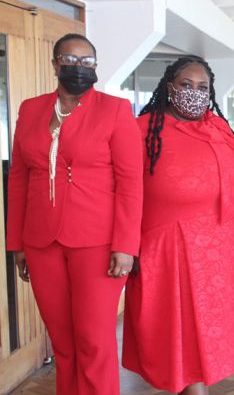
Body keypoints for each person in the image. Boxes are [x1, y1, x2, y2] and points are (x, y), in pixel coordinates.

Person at [6, 33, 143, 394]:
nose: (79, 68)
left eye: (87, 62)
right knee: (63, 344)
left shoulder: (114, 110)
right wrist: (17, 242)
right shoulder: (31, 110)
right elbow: (19, 178)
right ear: (55, 64)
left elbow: (131, 183)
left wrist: (126, 245)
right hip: (40, 242)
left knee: (93, 342)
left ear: (95, 67)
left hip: (98, 243)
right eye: (71, 60)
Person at [122, 56, 234, 395]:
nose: (194, 93)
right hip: (170, 249)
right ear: (170, 86)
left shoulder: (219, 126)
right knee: (179, 334)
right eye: (186, 85)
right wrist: (126, 245)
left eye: (203, 87)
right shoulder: (142, 131)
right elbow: (122, 192)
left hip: (222, 248)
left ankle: (200, 389)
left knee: (211, 336)